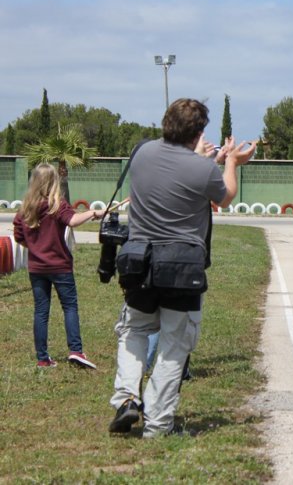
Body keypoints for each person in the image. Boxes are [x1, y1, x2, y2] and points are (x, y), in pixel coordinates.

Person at [108, 98, 255, 438]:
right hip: (182, 267)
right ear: (199, 132)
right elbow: (225, 196)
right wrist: (232, 162)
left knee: (134, 330)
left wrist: (210, 160)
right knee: (174, 344)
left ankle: (127, 397)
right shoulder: (203, 169)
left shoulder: (140, 153)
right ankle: (158, 424)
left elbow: (174, 175)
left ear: (166, 123)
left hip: (139, 261)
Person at [13, 163, 102, 369]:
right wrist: (92, 213)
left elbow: (19, 236)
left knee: (41, 311)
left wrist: (35, 247)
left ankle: (42, 358)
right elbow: (73, 220)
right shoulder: (57, 205)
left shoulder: (25, 209)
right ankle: (76, 350)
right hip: (60, 266)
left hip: (37, 268)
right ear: (54, 182)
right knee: (69, 306)